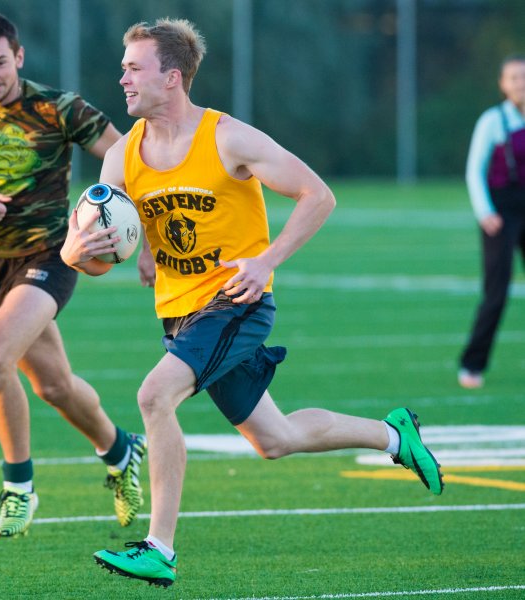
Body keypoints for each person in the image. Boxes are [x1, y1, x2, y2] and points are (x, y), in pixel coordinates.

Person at [60, 18, 444, 588]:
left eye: (133, 68)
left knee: (154, 395)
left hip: (237, 302)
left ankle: (159, 549)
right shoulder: (122, 159)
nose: (122, 79)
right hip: (179, 312)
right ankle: (394, 435)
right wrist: (74, 251)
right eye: (123, 68)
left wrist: (267, 261)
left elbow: (318, 195)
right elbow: (98, 256)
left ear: (172, 77)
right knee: (275, 440)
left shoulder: (228, 138)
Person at [0, 12, 146, 539]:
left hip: (52, 254)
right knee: (55, 387)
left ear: (18, 57)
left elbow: (125, 155)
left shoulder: (57, 107)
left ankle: (19, 488)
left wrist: (132, 232)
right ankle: (120, 449)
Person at [458, 54, 525, 389]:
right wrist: (485, 211)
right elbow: (475, 169)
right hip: (501, 213)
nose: (520, 84)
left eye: (523, 77)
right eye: (513, 78)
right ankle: (472, 365)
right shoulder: (492, 121)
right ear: (502, 84)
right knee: (496, 292)